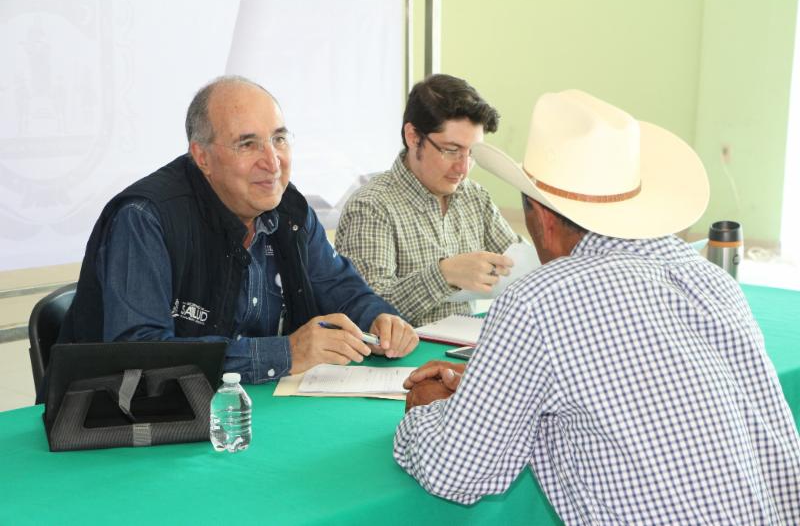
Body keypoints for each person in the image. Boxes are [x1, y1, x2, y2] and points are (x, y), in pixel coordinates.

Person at [394, 90, 800, 524]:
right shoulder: (711, 278)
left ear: (542, 218)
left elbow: (459, 473)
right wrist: (489, 390)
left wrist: (429, 410)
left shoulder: (538, 301)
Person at [56, 75, 418, 389]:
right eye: (248, 144)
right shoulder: (145, 218)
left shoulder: (290, 211)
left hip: (253, 410)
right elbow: (140, 355)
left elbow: (341, 289)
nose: (272, 162)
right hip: (126, 424)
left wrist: (377, 319)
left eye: (279, 139)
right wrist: (286, 353)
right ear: (202, 157)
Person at [335, 74, 519, 327]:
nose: (463, 168)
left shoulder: (475, 197)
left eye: (472, 154)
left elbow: (519, 266)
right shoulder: (371, 206)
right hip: (402, 352)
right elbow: (365, 313)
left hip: (467, 345)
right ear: (413, 136)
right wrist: (445, 275)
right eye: (451, 150)